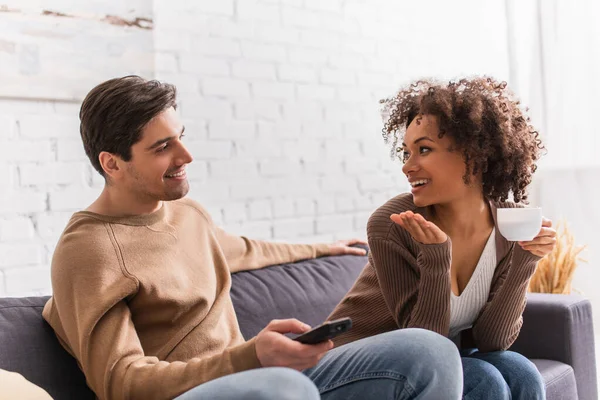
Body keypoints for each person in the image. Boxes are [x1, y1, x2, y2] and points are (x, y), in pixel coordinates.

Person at [42, 75, 463, 400]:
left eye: (181, 137)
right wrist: (252, 356)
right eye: (162, 147)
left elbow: (246, 250)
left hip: (256, 379)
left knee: (428, 351)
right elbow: (120, 382)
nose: (185, 157)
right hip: (198, 392)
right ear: (112, 163)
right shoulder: (89, 249)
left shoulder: (186, 214)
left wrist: (323, 248)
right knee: (285, 389)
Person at [327, 77, 556, 400]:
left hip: (429, 362)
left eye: (423, 149)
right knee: (482, 379)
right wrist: (436, 259)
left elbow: (493, 341)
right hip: (353, 361)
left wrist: (524, 259)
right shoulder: (393, 223)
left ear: (476, 156)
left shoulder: (507, 223)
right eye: (406, 152)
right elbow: (424, 345)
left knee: (519, 370)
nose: (408, 166)